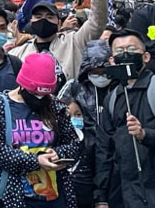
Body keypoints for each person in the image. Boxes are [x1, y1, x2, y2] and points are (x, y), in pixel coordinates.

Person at [95, 29, 155, 208]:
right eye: (120, 52)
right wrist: (101, 196)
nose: (126, 55)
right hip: (124, 196)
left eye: (132, 49)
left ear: (146, 57)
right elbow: (104, 150)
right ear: (112, 60)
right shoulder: (113, 98)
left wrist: (145, 135)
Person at [0, 53, 82, 208]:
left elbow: (74, 144)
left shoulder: (55, 107)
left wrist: (59, 154)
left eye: (44, 95)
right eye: (34, 93)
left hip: (55, 195)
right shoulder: (0, 106)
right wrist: (36, 161)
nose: (39, 98)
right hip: (16, 196)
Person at [57, 40, 119, 208]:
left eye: (103, 70)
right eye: (94, 71)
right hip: (82, 155)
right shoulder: (74, 87)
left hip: (114, 154)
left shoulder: (120, 87)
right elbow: (57, 112)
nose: (99, 75)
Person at [9, 0, 108, 83]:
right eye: (38, 17)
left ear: (59, 23)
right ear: (31, 22)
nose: (43, 20)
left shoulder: (73, 42)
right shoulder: (18, 53)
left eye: (49, 17)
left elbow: (97, 22)